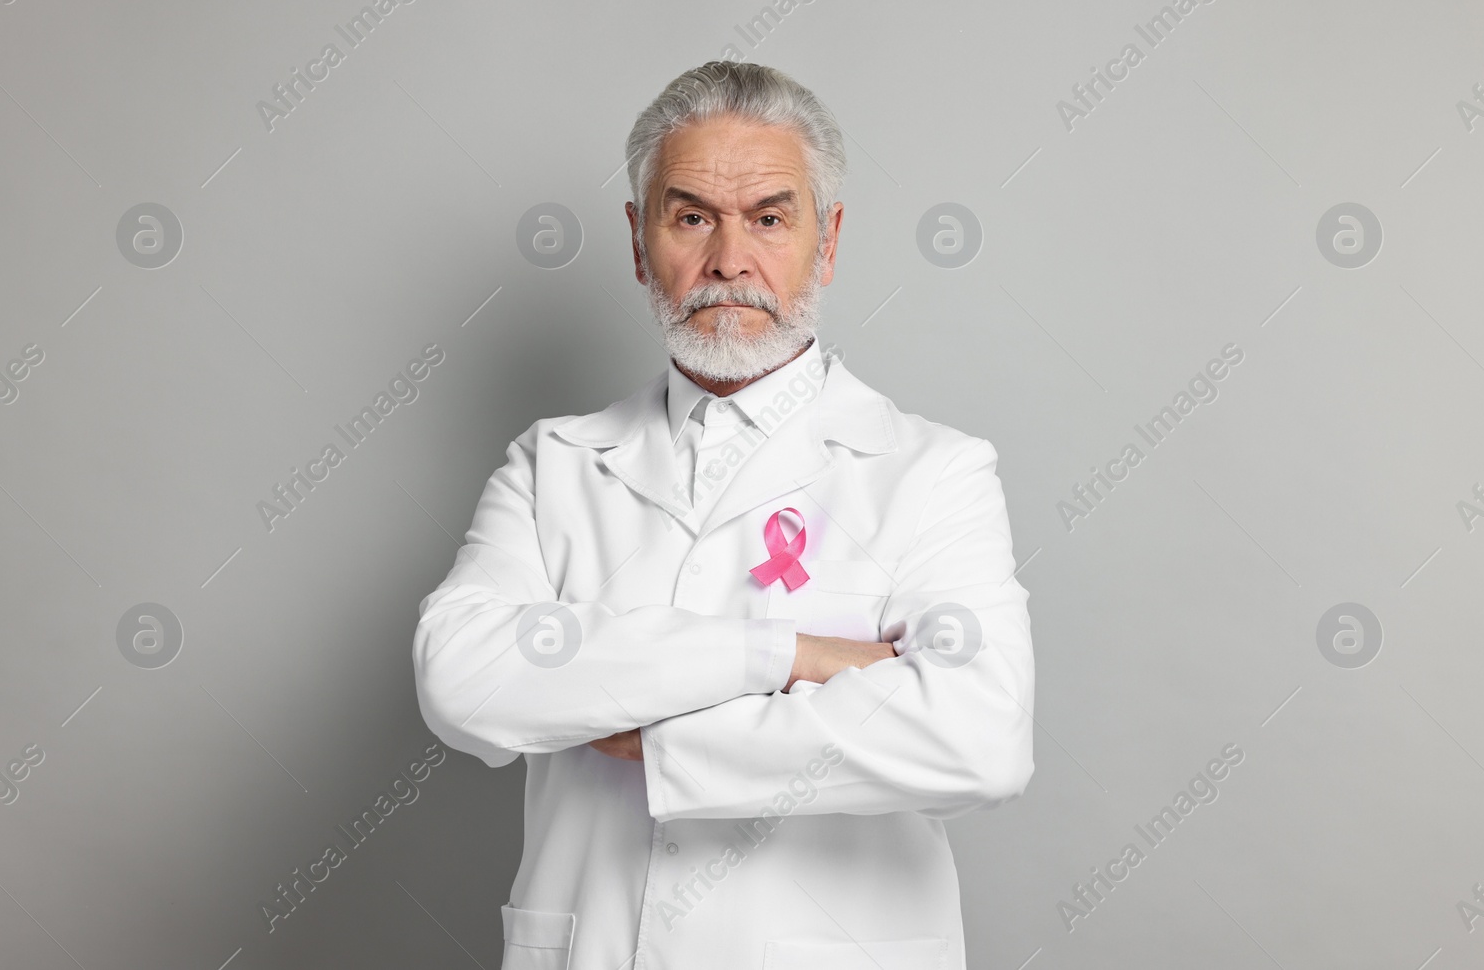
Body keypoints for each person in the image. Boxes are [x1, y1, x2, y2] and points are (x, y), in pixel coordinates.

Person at [412, 61, 1035, 970]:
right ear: (638, 240)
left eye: (770, 218)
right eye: (692, 216)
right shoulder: (554, 465)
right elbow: (463, 682)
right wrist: (788, 656)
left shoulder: (932, 471)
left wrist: (660, 732)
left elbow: (979, 736)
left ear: (827, 243)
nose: (729, 260)